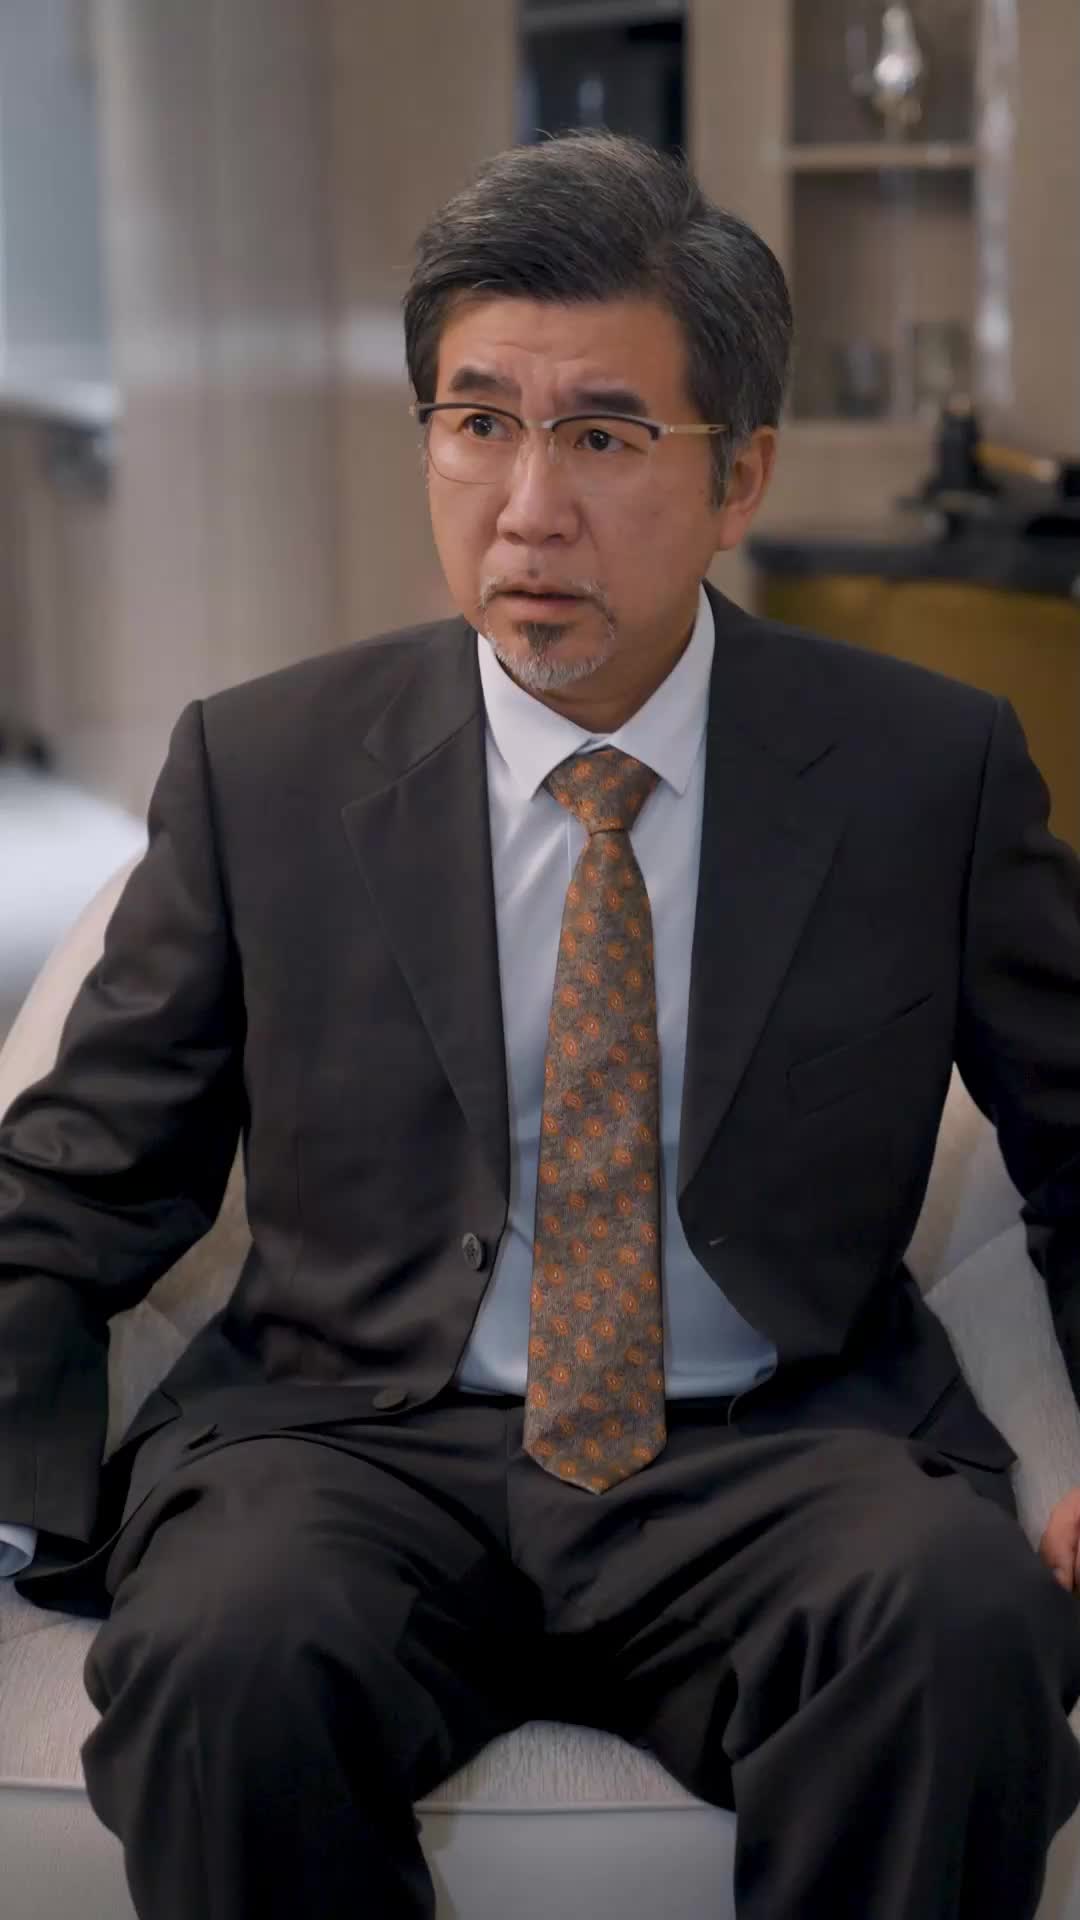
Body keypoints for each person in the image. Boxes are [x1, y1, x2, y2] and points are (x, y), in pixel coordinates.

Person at [2, 129, 1080, 1920]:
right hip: (352, 1442)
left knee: (958, 1635)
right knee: (228, 1659)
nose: (525, 509)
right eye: (477, 422)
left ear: (740, 473)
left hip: (781, 1444)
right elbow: (78, 1178)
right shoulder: (265, 768)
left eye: (602, 437)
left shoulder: (925, 773)